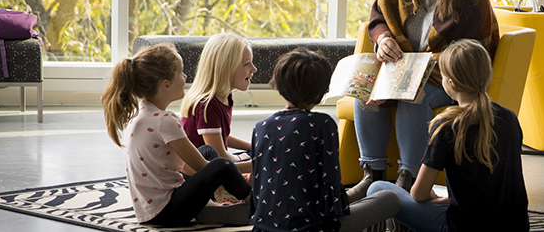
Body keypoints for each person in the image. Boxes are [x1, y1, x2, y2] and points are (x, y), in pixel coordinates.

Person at [347, 0, 500, 201]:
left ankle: (411, 177)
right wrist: (383, 39)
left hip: (448, 76)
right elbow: (378, 16)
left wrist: (433, 61)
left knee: (413, 98)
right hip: (402, 69)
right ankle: (373, 174)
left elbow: (474, 52)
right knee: (365, 93)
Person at [367, 39, 529, 231]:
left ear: (451, 84)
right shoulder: (510, 118)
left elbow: (418, 194)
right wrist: (446, 199)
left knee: (377, 189)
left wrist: (434, 199)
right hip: (516, 227)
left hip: (461, 227)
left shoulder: (448, 127)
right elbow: (494, 185)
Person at [101, 43, 252, 227]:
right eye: (181, 73)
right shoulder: (165, 121)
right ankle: (255, 204)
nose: (186, 77)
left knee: (207, 151)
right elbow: (202, 166)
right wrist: (253, 165)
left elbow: (190, 166)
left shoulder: (142, 114)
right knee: (223, 165)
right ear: (166, 85)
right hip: (167, 212)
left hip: (151, 210)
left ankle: (209, 207)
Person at [251, 48, 401, 232]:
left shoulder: (260, 127)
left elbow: (258, 189)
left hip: (264, 227)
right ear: (319, 94)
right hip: (313, 227)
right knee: (390, 199)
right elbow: (331, 189)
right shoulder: (322, 124)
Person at [181, 33, 256, 173]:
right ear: (226, 68)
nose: (254, 69)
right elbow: (219, 155)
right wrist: (246, 160)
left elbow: (221, 136)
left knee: (260, 156)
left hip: (215, 162)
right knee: (265, 164)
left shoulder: (225, 97)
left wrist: (253, 146)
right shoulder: (207, 104)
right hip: (200, 173)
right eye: (246, 64)